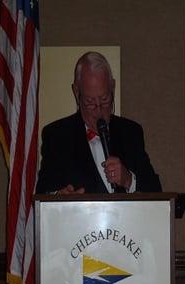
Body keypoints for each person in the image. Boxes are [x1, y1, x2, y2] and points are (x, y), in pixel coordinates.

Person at [36, 51, 161, 195]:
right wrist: (59, 198)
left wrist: (129, 180)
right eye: (90, 102)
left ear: (113, 87)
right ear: (76, 92)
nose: (99, 110)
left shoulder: (131, 132)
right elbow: (43, 193)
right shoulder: (57, 135)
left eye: (105, 100)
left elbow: (156, 190)